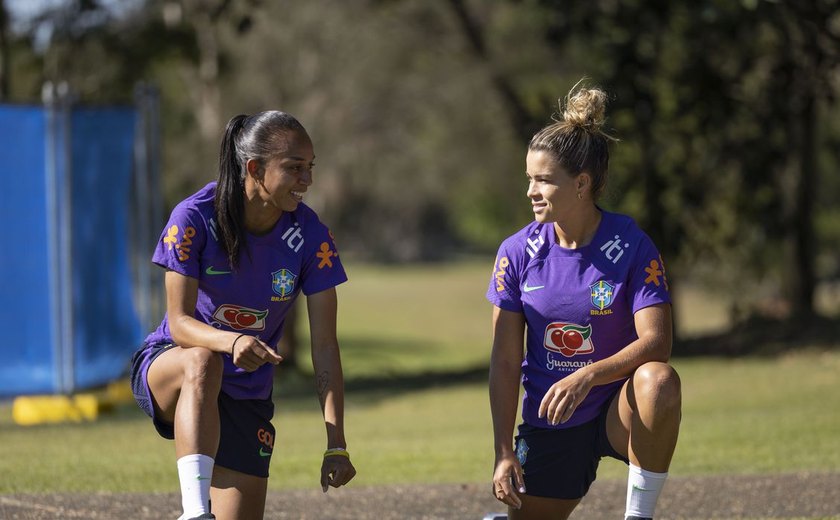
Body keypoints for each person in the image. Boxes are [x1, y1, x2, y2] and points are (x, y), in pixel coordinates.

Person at [130, 111, 356, 520]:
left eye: (310, 168)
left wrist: (335, 442)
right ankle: (195, 513)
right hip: (174, 365)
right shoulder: (194, 217)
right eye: (294, 168)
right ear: (254, 168)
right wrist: (231, 342)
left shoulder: (312, 237)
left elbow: (325, 345)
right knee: (203, 360)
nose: (307, 180)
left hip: (247, 393)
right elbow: (179, 323)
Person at [486, 83, 681, 520]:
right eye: (529, 179)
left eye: (543, 180)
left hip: (618, 407)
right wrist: (503, 453)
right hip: (553, 418)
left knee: (659, 380)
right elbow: (503, 360)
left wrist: (589, 376)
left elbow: (657, 343)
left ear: (581, 183)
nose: (531, 191)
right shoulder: (516, 253)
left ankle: (639, 516)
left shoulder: (631, 244)